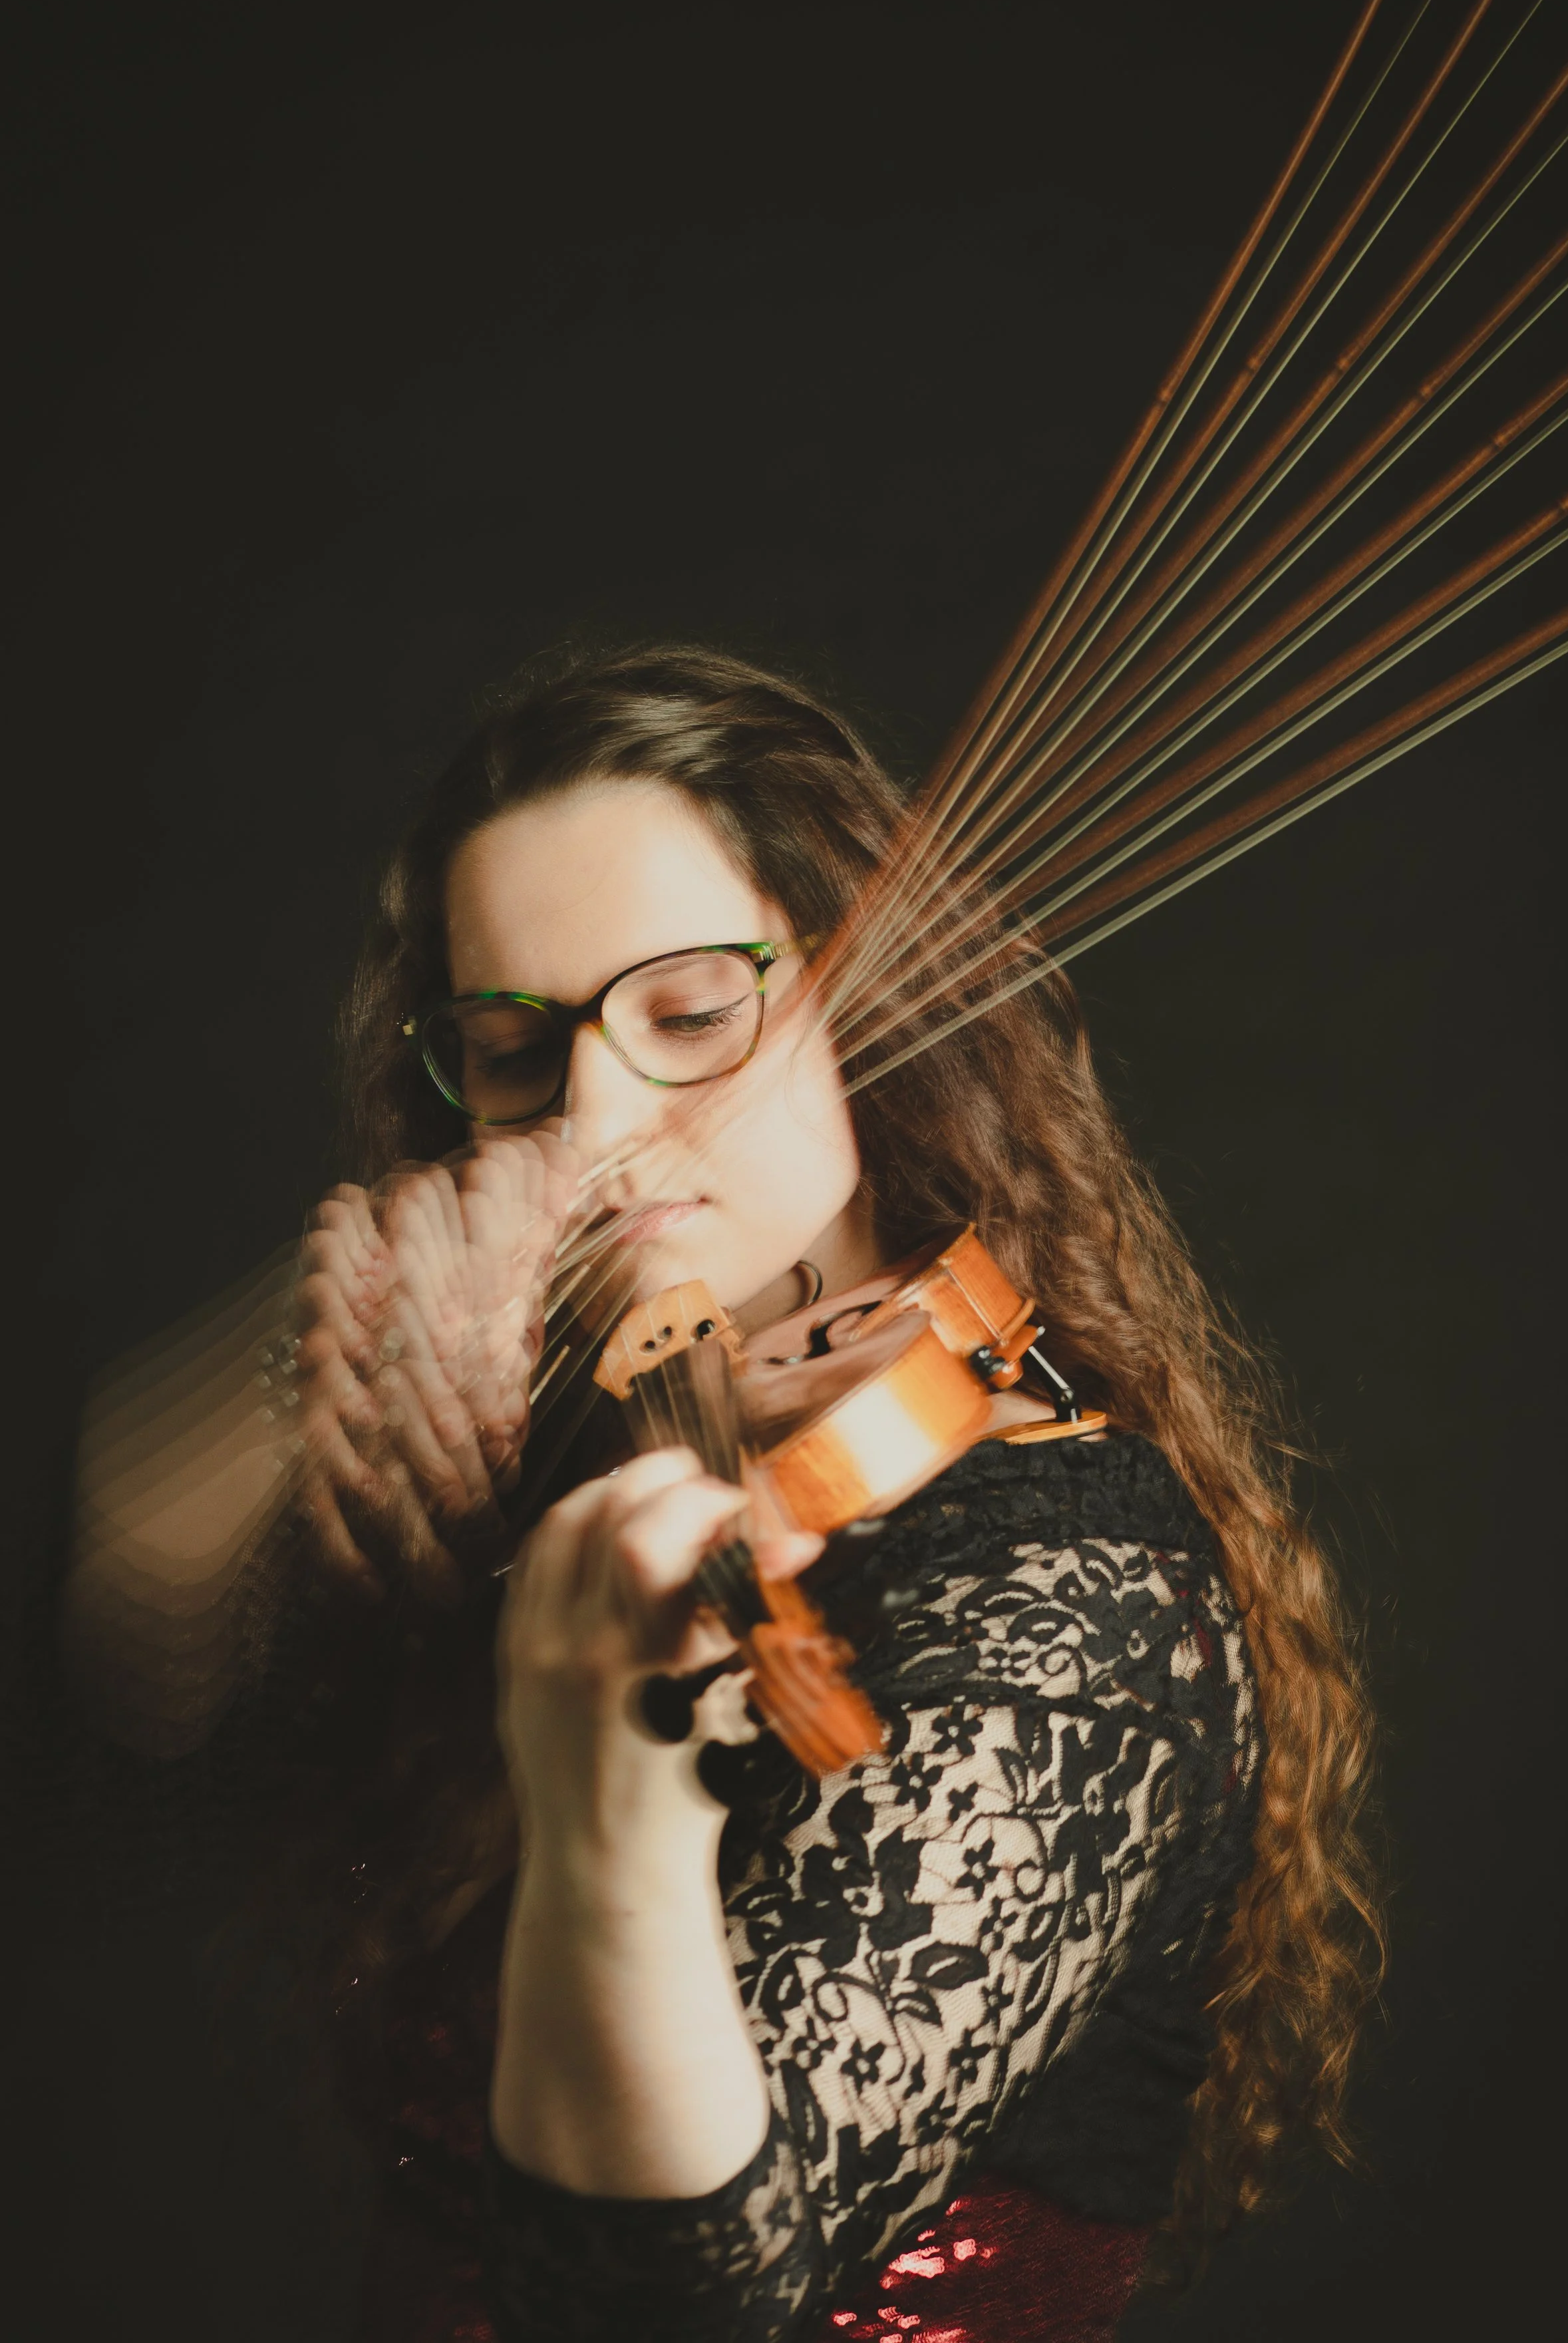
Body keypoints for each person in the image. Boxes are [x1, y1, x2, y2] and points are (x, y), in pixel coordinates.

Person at [69, 644, 1381, 2342]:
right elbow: (118, 1688)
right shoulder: (581, 1449)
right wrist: (343, 1319)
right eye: (515, 1054)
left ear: (871, 997)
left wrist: (609, 1791)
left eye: (689, 1014)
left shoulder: (1071, 1592)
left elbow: (687, 2298)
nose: (600, 1117)